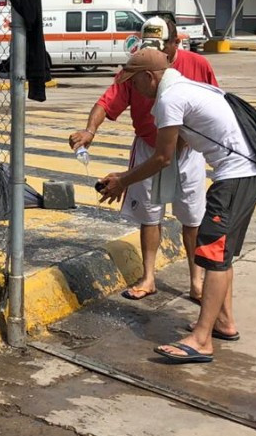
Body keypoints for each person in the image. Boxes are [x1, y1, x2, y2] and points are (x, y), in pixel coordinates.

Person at [98, 48, 256, 363]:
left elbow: (163, 158)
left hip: (236, 175)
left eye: (133, 83)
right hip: (249, 171)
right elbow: (174, 149)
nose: (133, 90)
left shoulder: (168, 99)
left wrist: (123, 180)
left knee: (214, 255)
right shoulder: (188, 87)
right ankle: (224, 322)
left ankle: (201, 339)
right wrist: (126, 176)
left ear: (149, 77)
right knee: (223, 251)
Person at [69, 18, 217, 302]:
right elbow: (108, 100)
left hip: (187, 151)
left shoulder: (198, 66)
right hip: (150, 145)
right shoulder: (139, 65)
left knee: (192, 216)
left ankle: (196, 280)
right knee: (150, 215)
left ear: (176, 43)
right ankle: (149, 276)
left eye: (163, 50)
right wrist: (90, 130)